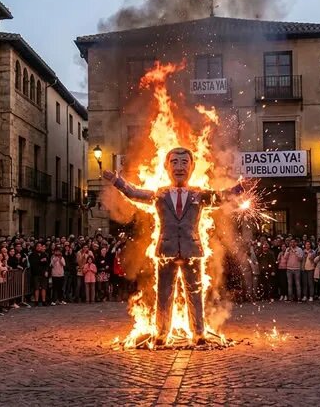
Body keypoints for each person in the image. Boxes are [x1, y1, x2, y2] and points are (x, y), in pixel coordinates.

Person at [101, 146, 242, 346]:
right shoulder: (159, 194)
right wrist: (117, 181)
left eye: (184, 162)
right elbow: (134, 193)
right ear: (166, 167)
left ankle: (199, 333)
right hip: (166, 251)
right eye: (174, 162)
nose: (179, 167)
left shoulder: (199, 195)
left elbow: (221, 197)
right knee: (164, 294)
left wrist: (239, 189)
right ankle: (161, 333)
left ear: (192, 167)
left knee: (195, 294)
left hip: (192, 251)